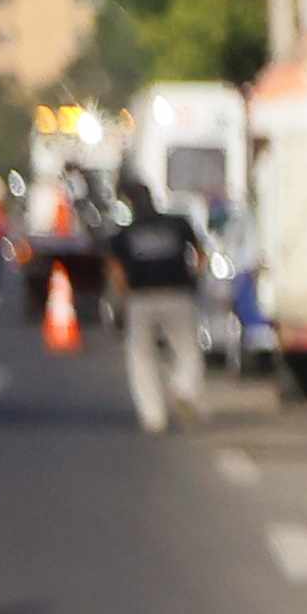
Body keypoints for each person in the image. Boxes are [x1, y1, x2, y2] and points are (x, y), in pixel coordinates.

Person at [107, 179, 208, 430]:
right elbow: (201, 255)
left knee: (141, 357)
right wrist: (194, 279)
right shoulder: (178, 224)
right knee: (187, 349)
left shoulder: (124, 234)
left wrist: (123, 299)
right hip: (178, 294)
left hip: (141, 298)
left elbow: (116, 271)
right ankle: (184, 388)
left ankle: (154, 417)